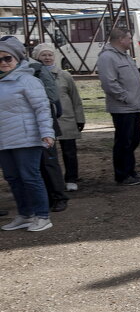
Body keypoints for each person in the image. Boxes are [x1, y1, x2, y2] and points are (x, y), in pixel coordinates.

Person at [0, 40, 55, 232]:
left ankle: (42, 216)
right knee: (13, 178)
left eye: (7, 58)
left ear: (17, 58)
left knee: (30, 177)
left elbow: (42, 108)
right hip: (4, 140)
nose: (3, 63)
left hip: (26, 137)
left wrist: (47, 132)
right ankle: (25, 214)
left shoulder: (28, 80)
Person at [96, 25, 140, 186]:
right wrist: (126, 98)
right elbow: (109, 83)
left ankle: (130, 171)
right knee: (124, 142)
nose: (131, 41)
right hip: (122, 107)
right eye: (129, 38)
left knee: (133, 140)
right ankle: (122, 175)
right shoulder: (107, 58)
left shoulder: (124, 56)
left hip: (133, 106)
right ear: (120, 39)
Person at [25, 42, 69, 211]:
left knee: (48, 161)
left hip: (43, 121)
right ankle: (42, 198)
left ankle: (58, 197)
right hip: (20, 125)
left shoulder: (36, 69)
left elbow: (53, 96)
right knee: (31, 164)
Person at [35, 43, 85, 192]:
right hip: (46, 120)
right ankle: (52, 182)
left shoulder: (65, 75)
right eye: (43, 55)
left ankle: (71, 178)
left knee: (69, 151)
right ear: (37, 57)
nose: (47, 58)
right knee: (49, 154)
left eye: (50, 55)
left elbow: (75, 98)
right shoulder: (33, 75)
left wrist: (80, 118)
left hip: (66, 119)